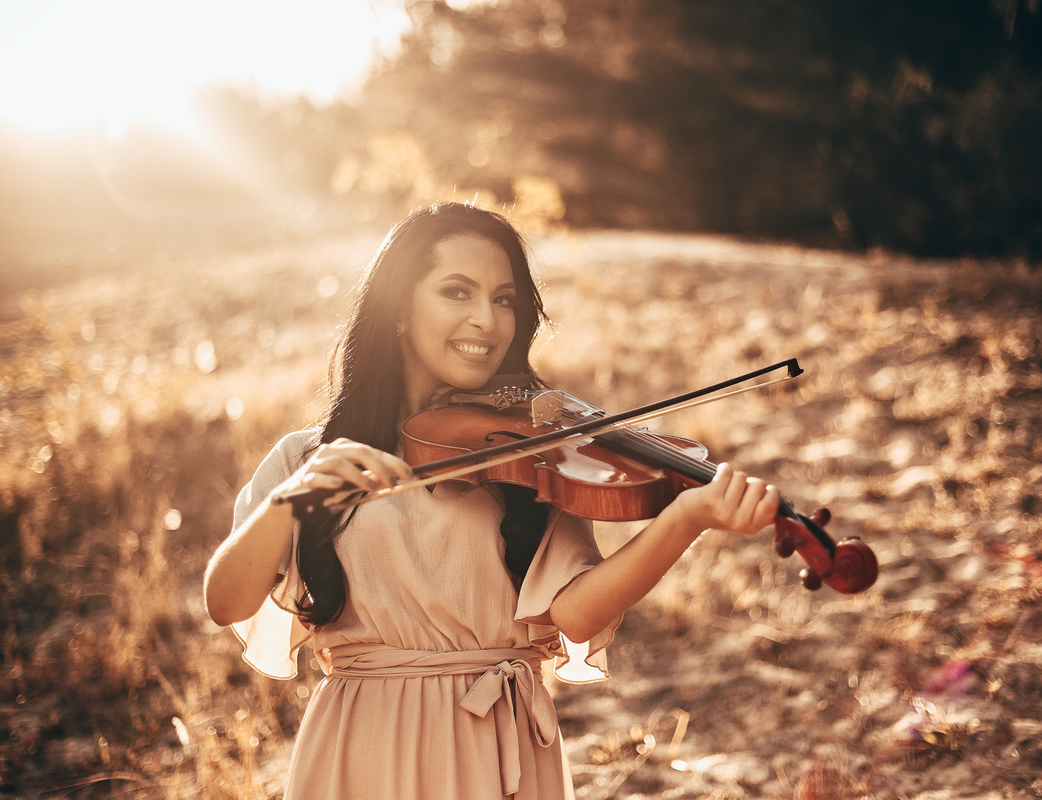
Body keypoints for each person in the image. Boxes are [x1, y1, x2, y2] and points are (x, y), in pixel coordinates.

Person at [203, 202, 781, 800]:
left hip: (498, 746)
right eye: (458, 292)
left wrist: (684, 520)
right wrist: (293, 501)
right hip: (362, 749)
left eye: (504, 299)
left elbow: (576, 616)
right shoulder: (307, 459)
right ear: (398, 308)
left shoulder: (529, 455)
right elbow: (226, 603)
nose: (487, 319)